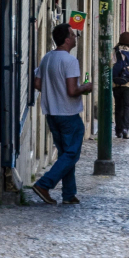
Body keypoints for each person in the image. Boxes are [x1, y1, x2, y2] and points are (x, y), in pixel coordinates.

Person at [32, 23, 92, 206]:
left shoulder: (47, 58)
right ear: (67, 40)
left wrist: (53, 91)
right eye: (73, 35)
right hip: (68, 113)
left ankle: (68, 194)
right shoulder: (70, 61)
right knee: (72, 153)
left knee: (65, 154)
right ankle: (44, 184)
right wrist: (86, 88)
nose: (75, 38)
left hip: (52, 112)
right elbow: (72, 90)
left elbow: (37, 83)